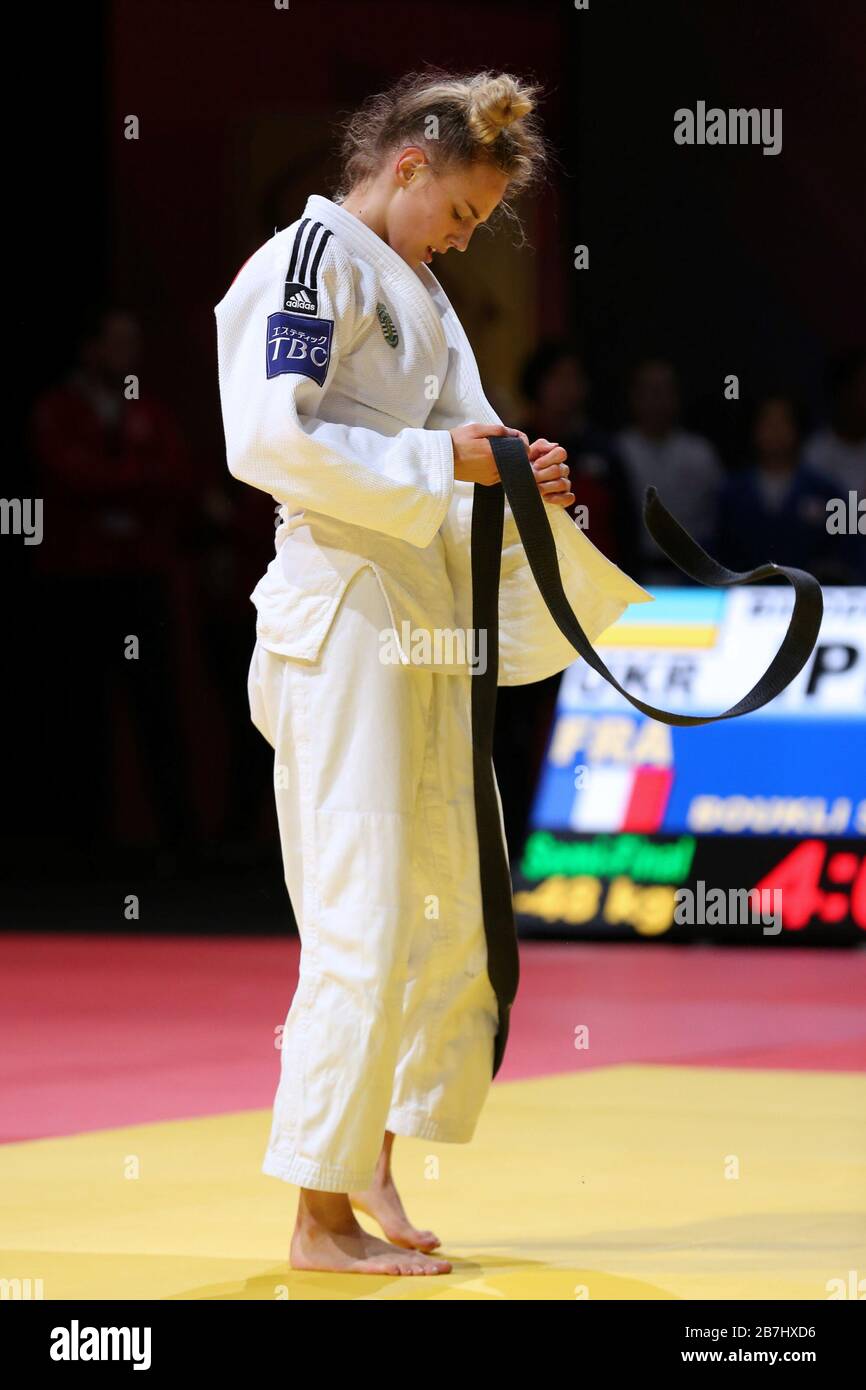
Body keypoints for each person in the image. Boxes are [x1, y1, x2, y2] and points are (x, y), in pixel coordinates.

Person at [214, 69, 647, 1277]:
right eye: (460, 210)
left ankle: (368, 1158)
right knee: (358, 910)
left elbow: (461, 442)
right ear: (407, 163)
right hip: (340, 614)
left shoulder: (423, 291)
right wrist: (436, 459)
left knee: (451, 906)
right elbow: (268, 438)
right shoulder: (308, 263)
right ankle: (316, 1217)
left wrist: (518, 465)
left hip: (420, 610)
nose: (466, 235)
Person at [715, 393, 860, 582]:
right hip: (745, 594)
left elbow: (848, 552)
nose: (775, 431)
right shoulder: (732, 492)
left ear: (797, 429)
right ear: (753, 430)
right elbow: (721, 551)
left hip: (813, 595)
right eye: (768, 423)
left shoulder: (825, 489)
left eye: (783, 423)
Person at [617, 358, 724, 584]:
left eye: (663, 391)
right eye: (648, 391)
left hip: (696, 575)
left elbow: (719, 517)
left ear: (676, 397)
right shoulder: (619, 451)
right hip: (632, 571)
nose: (656, 401)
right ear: (633, 397)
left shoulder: (701, 454)